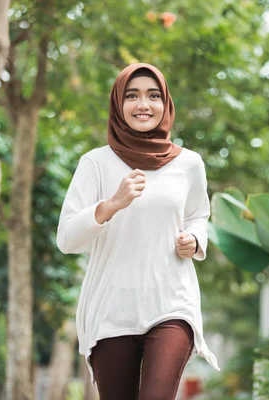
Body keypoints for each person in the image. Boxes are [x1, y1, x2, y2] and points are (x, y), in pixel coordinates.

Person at [56, 63, 219, 399]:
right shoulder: (95, 163)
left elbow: (198, 215)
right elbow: (67, 239)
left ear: (166, 104)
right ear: (119, 105)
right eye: (132, 96)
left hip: (172, 303)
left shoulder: (189, 163)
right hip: (112, 308)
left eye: (153, 96)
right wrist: (111, 204)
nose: (143, 104)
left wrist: (195, 239)